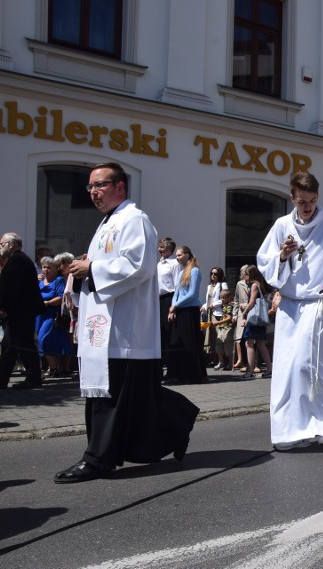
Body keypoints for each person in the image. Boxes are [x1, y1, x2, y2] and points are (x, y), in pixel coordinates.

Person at [54, 162, 198, 483]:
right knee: (135, 401)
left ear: (120, 187)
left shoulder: (135, 220)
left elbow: (139, 266)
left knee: (114, 399)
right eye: (89, 186)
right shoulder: (107, 224)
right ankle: (175, 425)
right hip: (104, 327)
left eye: (100, 185)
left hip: (124, 330)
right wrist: (82, 273)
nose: (93, 192)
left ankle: (97, 460)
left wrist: (90, 269)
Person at [257, 171, 323, 450]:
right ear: (292, 198)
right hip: (291, 308)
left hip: (317, 307)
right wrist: (282, 256)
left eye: (312, 201)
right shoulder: (281, 226)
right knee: (291, 371)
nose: (307, 207)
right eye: (302, 201)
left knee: (318, 367)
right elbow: (265, 262)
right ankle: (292, 429)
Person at [0, 233, 44, 389]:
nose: (0, 247)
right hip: (19, 312)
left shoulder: (18, 260)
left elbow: (13, 288)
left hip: (20, 313)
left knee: (23, 346)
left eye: (2, 244)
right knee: (11, 346)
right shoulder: (17, 260)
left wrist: (4, 309)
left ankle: (33, 378)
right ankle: (0, 380)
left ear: (11, 244)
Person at [167, 246, 207, 384]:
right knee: (177, 342)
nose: (177, 258)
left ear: (187, 255)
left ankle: (193, 374)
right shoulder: (180, 272)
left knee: (189, 342)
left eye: (179, 255)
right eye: (176, 255)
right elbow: (176, 292)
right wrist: (173, 308)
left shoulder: (194, 271)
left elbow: (192, 294)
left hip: (189, 310)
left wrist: (176, 305)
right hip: (179, 309)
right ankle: (179, 373)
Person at [36, 256, 73, 378]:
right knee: (44, 341)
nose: (46, 270)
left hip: (52, 314)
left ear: (55, 269)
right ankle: (53, 367)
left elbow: (61, 297)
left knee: (43, 339)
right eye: (44, 267)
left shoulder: (58, 280)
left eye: (49, 268)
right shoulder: (39, 281)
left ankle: (54, 367)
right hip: (40, 315)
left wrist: (47, 303)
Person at [239, 266, 273, 379]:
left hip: (254, 318)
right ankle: (269, 369)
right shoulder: (261, 285)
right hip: (261, 319)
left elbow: (252, 302)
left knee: (248, 343)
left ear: (251, 275)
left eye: (246, 274)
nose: (245, 276)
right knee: (261, 343)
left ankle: (250, 371)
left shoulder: (254, 285)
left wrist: (244, 313)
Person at [156, 237, 179, 369]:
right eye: (159, 247)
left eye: (162, 247)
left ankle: (172, 368)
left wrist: (173, 306)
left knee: (170, 334)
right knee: (161, 334)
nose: (159, 250)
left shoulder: (174, 264)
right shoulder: (159, 264)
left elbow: (177, 286)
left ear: (170, 249)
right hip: (159, 299)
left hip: (169, 299)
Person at [202, 267, 228, 368]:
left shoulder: (222, 285)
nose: (213, 275)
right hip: (209, 313)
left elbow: (225, 298)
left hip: (218, 313)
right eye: (211, 273)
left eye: (215, 274)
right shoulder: (209, 286)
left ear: (220, 275)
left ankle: (222, 361)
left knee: (219, 336)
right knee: (210, 337)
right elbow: (208, 300)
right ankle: (213, 359)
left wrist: (214, 305)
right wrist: (204, 307)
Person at [232, 265, 251, 370]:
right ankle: (240, 360)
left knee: (252, 338)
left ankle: (252, 362)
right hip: (240, 313)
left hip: (251, 313)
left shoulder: (254, 284)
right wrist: (234, 314)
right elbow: (236, 299)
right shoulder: (240, 284)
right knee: (239, 337)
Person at [213, 289, 235, 372]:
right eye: (221, 298)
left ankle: (230, 363)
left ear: (229, 297)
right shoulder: (224, 305)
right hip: (222, 328)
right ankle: (221, 362)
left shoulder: (229, 306)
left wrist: (218, 322)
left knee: (228, 346)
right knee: (219, 345)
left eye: (224, 298)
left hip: (227, 328)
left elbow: (229, 318)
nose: (222, 300)